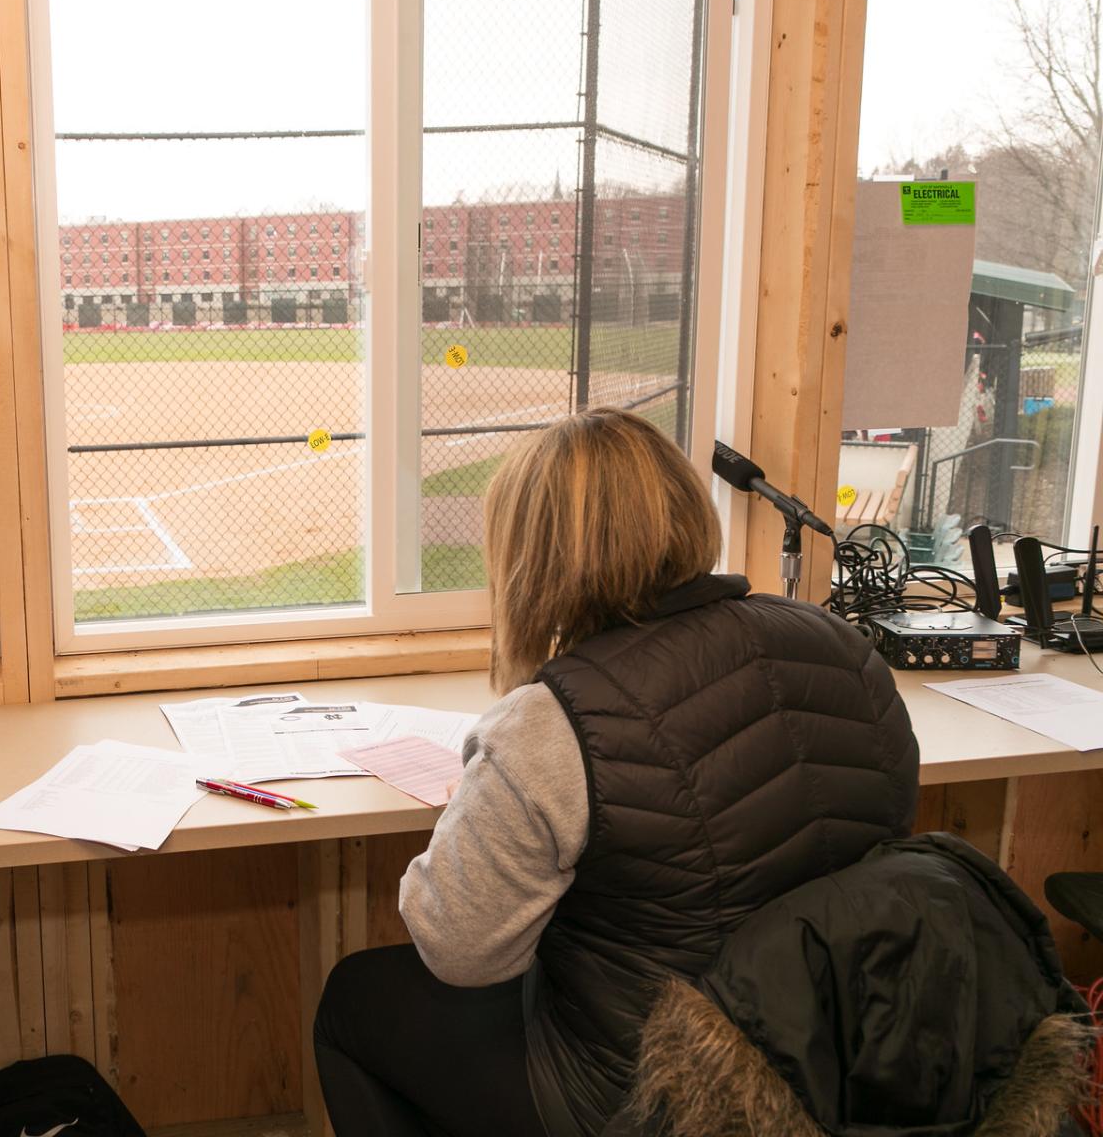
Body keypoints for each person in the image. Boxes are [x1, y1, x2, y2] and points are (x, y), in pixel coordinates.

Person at [312, 408, 918, 1137]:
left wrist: (472, 811)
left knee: (355, 1001)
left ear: (533, 559)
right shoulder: (841, 646)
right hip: (837, 1058)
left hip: (653, 1095)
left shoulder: (553, 722)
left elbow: (459, 951)